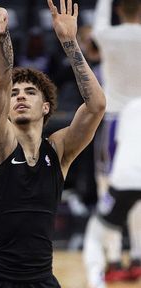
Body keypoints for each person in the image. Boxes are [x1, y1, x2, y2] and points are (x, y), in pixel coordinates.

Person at [0, 0, 106, 287]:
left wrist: (70, 42)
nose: (19, 96)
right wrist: (2, 32)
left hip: (42, 280)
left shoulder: (58, 150)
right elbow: (0, 80)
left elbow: (96, 107)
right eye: (15, 93)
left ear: (45, 107)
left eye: (30, 92)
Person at [83, 0, 141, 287]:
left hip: (116, 120)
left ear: (120, 10)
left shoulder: (107, 34)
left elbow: (99, 19)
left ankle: (116, 258)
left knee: (109, 188)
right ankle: (140, 257)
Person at [83, 98, 141, 288]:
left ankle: (102, 276)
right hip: (126, 177)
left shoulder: (125, 106)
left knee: (95, 234)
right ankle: (135, 259)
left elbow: (110, 148)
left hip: (122, 182)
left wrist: (106, 177)